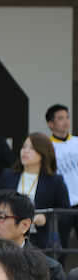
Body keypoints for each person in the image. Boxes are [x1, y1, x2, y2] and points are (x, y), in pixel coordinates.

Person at [0, 132, 69, 250]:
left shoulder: (55, 181)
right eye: (24, 147)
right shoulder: (7, 175)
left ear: (43, 153)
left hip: (40, 241)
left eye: (32, 148)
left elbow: (65, 211)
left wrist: (46, 218)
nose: (25, 151)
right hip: (7, 238)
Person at [46, 104, 78, 250]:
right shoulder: (47, 147)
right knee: (61, 248)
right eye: (60, 118)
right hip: (61, 204)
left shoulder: (77, 142)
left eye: (67, 117)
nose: (65, 121)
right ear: (50, 124)